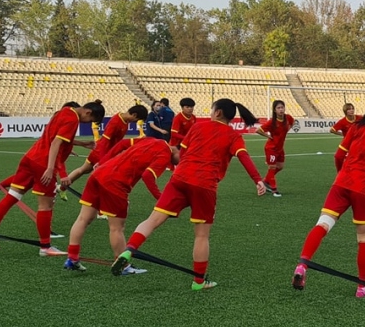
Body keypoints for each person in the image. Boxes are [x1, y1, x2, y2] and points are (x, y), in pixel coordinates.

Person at [110, 98, 267, 290]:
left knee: (152, 220)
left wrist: (183, 170)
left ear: (217, 112)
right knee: (201, 236)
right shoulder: (234, 136)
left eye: (212, 109)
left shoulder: (198, 127)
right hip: (205, 185)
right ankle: (199, 282)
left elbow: (182, 154)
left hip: (179, 179)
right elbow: (244, 157)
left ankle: (129, 250)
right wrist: (258, 180)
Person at [293, 90, 365, 297]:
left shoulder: (356, 126)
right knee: (364, 237)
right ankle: (362, 286)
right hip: (364, 190)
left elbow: (338, 155)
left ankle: (302, 265)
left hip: (341, 185)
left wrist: (342, 176)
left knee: (322, 224)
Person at [0, 101, 106, 256]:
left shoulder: (63, 111)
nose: (88, 123)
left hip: (30, 158)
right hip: (43, 164)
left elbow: (55, 138)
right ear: (88, 112)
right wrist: (52, 168)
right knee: (46, 206)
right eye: (91, 120)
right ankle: (45, 247)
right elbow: (56, 143)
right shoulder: (73, 119)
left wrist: (80, 144)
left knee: (12, 197)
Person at [63, 137, 176, 274]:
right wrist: (161, 198)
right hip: (116, 184)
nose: (178, 164)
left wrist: (102, 162)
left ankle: (72, 258)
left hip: (99, 174)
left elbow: (122, 143)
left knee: (83, 218)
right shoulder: (165, 155)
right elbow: (147, 176)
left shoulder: (153, 140)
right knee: (117, 228)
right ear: (179, 151)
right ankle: (123, 266)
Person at [63, 104, 150, 185]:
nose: (135, 123)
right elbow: (105, 142)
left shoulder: (125, 121)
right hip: (102, 153)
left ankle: (62, 187)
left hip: (106, 152)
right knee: (106, 176)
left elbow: (116, 142)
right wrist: (102, 160)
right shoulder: (116, 121)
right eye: (137, 120)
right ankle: (94, 197)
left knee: (83, 170)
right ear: (134, 115)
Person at [256, 100, 294, 197]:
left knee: (280, 167)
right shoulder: (271, 122)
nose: (281, 110)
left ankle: (265, 181)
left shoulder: (288, 118)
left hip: (280, 148)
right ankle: (274, 190)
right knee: (272, 168)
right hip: (271, 148)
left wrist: (287, 129)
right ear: (274, 110)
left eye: (282, 107)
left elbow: (292, 122)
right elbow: (258, 130)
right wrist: (267, 136)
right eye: (278, 108)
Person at [330, 103, 362, 172]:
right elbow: (332, 130)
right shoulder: (342, 121)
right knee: (338, 156)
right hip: (347, 143)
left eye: (352, 108)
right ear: (345, 111)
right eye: (349, 109)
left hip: (358, 142)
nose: (351, 110)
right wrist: (342, 134)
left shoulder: (359, 118)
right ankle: (340, 172)